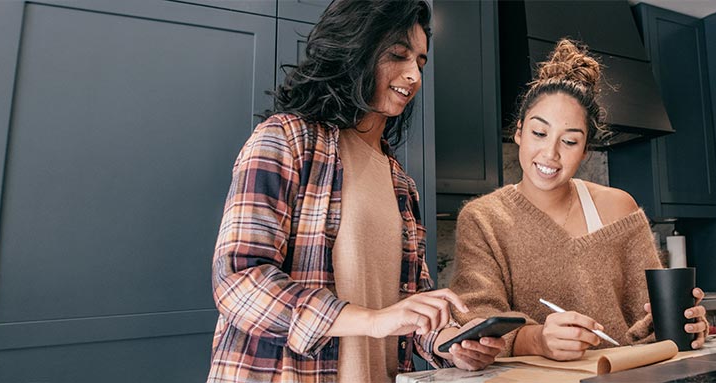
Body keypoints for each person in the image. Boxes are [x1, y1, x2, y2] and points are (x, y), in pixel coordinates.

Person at [208, 1, 503, 381]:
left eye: (421, 62)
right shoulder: (286, 140)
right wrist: (373, 320)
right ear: (354, 50)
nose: (413, 74)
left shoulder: (400, 182)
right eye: (398, 55)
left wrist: (452, 343)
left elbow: (408, 308)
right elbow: (239, 281)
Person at [447, 39, 709, 362]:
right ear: (518, 132)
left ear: (585, 152)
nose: (550, 154)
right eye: (539, 133)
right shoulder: (482, 219)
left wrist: (687, 324)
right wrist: (538, 339)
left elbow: (651, 318)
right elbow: (477, 320)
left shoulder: (619, 209)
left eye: (569, 141)